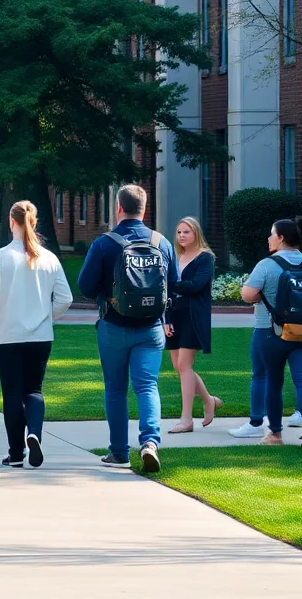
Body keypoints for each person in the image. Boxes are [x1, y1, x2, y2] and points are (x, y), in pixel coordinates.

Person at [78, 184, 177, 473]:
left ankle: (119, 452)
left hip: (114, 325)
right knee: (147, 386)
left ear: (118, 207)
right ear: (144, 209)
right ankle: (150, 442)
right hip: (152, 327)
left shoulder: (105, 243)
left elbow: (85, 286)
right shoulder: (162, 243)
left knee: (115, 389)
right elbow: (174, 283)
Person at [0, 201, 73, 468]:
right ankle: (34, 433)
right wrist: (46, 315)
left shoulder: (0, 257)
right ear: (34, 221)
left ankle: (16, 453)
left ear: (12, 222)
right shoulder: (49, 258)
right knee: (34, 390)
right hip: (40, 336)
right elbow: (65, 298)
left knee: (11, 394)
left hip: (6, 335)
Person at [238, 217, 302, 448]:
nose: (269, 238)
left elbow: (247, 295)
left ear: (281, 238)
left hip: (270, 331)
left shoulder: (267, 265)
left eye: (272, 234)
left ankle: (275, 434)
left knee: (273, 381)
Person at [166, 217, 221, 433]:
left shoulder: (205, 257)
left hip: (193, 316)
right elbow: (167, 292)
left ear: (196, 233)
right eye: (179, 232)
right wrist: (166, 319)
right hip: (174, 315)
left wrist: (172, 284)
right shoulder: (174, 256)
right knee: (179, 367)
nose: (181, 236)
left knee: (185, 365)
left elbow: (196, 286)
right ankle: (209, 401)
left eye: (186, 232)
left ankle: (186, 419)